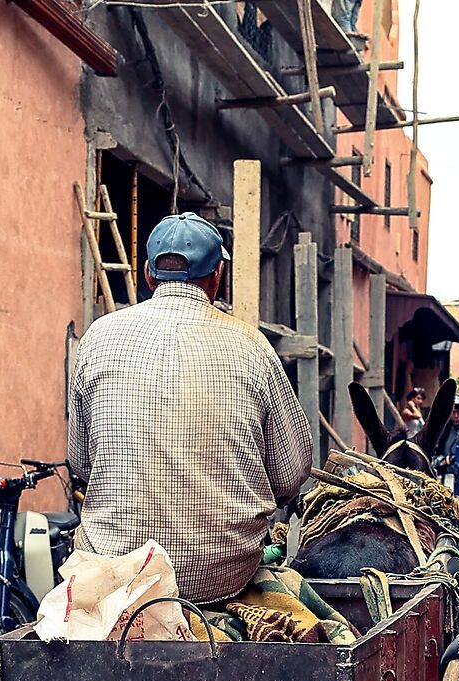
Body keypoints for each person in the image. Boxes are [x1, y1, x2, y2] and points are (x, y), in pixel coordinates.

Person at [67, 212, 313, 605]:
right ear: (218, 276)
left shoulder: (97, 338)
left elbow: (80, 464)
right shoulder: (252, 347)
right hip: (221, 578)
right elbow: (290, 476)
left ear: (149, 275)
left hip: (118, 575)